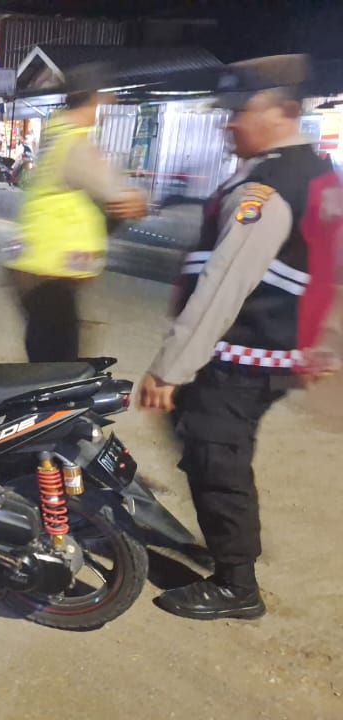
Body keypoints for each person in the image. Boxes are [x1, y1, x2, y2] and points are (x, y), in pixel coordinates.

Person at [139, 55, 342, 620]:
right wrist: (319, 339)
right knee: (204, 443)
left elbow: (225, 282)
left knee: (216, 456)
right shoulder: (316, 174)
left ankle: (236, 585)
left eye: (240, 111)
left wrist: (172, 368)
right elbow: (321, 264)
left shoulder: (267, 187)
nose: (228, 123)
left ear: (282, 112)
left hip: (242, 354)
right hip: (275, 348)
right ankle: (229, 544)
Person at [6, 63, 150, 362]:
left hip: (36, 268)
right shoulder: (76, 145)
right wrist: (139, 200)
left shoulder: (57, 136)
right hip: (53, 276)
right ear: (96, 100)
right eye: (107, 100)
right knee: (61, 365)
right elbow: (121, 199)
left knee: (46, 354)